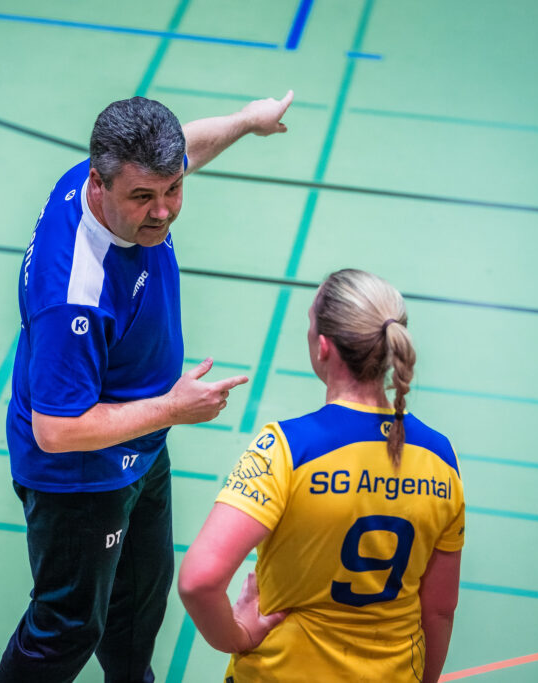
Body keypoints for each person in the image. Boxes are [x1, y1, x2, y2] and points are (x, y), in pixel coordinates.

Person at [0, 92, 294, 683]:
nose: (162, 212)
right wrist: (172, 409)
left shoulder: (115, 174)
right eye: (143, 198)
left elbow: (186, 148)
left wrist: (244, 121)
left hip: (141, 446)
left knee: (139, 604)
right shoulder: (74, 296)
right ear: (99, 184)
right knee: (66, 627)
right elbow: (56, 431)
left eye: (173, 190)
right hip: (81, 477)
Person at [178, 269, 465, 683]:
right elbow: (439, 610)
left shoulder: (287, 448)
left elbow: (198, 581)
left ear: (324, 346)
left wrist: (236, 636)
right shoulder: (440, 457)